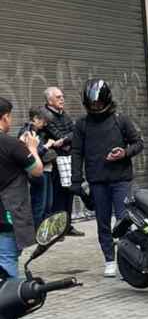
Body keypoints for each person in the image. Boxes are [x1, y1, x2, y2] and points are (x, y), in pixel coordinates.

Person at [71, 79, 145, 277]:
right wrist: (76, 180)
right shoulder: (82, 125)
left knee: (123, 220)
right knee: (102, 221)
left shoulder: (120, 120)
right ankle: (109, 259)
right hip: (97, 180)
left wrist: (124, 153)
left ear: (106, 101)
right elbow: (76, 152)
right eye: (91, 105)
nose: (95, 107)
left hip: (120, 179)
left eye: (98, 104)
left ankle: (127, 259)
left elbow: (138, 143)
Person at [0, 97, 45, 279]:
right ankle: (9, 305)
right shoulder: (12, 144)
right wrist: (32, 148)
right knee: (7, 261)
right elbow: (37, 170)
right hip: (7, 215)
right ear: (4, 118)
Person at [42, 87, 86, 236]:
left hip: (68, 158)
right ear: (50, 101)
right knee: (58, 195)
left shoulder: (64, 115)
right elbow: (57, 135)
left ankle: (67, 226)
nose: (62, 99)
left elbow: (75, 134)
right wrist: (66, 138)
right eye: (58, 97)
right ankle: (56, 229)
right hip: (55, 162)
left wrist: (65, 140)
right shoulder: (46, 116)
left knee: (69, 192)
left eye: (62, 96)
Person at [21, 107, 56, 227]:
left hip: (47, 169)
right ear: (35, 119)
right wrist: (47, 146)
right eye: (44, 121)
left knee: (48, 203)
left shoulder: (40, 131)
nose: (45, 124)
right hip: (37, 172)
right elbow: (30, 154)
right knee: (39, 204)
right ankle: (37, 232)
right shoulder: (27, 133)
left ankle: (45, 231)